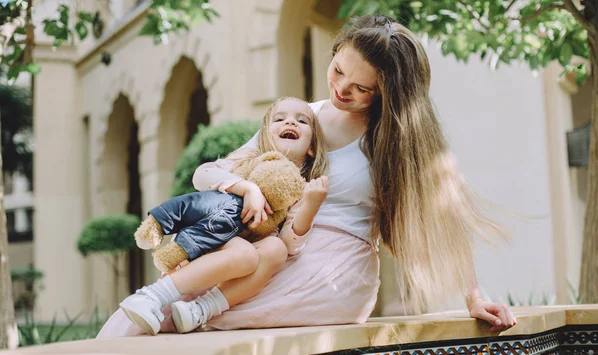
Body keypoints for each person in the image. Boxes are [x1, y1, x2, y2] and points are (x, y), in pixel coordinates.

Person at [98, 15, 517, 338]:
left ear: (386, 92)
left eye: (361, 88)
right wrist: (239, 187)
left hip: (332, 270)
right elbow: (221, 171)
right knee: (152, 307)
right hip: (269, 249)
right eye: (338, 71)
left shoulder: (395, 143)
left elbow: (444, 218)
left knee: (186, 315)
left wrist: (474, 296)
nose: (341, 89)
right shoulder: (300, 117)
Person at [107, 97, 329, 336]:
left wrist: (310, 207)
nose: (290, 122)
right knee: (245, 254)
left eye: (302, 121)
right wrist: (247, 189)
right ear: (265, 134)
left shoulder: (301, 190)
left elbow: (290, 244)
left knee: (276, 249)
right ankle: (152, 296)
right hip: (210, 237)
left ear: (312, 147)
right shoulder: (247, 160)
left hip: (240, 254)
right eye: (280, 118)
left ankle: (199, 311)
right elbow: (202, 174)